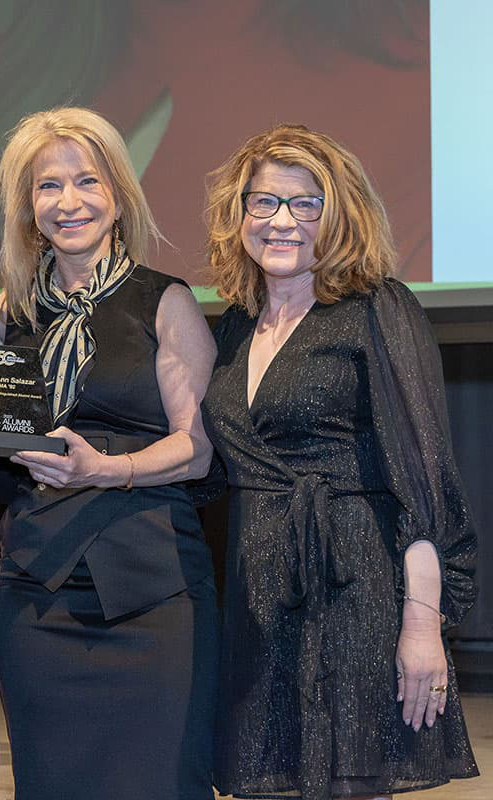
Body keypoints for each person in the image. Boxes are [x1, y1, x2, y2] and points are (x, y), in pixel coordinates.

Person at [201, 123, 478, 800]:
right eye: (264, 203)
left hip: (355, 596)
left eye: (306, 204)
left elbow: (421, 480)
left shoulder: (377, 308)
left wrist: (421, 626)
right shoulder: (235, 324)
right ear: (240, 216)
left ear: (339, 214)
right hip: (258, 601)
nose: (282, 221)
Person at [0, 106, 219, 799]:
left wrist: (107, 469)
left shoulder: (165, 301)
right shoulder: (8, 313)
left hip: (153, 587)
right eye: (48, 187)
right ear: (29, 209)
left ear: (118, 195)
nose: (69, 202)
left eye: (86, 182)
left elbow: (199, 450)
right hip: (37, 591)